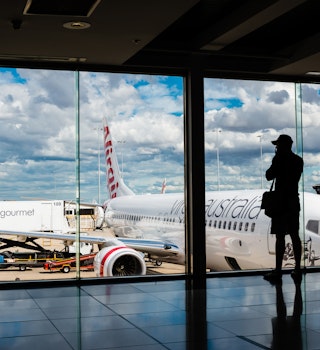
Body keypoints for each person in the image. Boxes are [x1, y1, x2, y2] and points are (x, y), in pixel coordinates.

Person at [263, 134, 303, 283]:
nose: (276, 148)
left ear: (282, 146)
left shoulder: (279, 160)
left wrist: (277, 159)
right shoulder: (298, 160)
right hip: (293, 201)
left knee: (280, 237)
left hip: (280, 202)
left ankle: (278, 270)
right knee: (294, 235)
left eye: (278, 145)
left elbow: (269, 175)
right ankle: (297, 268)